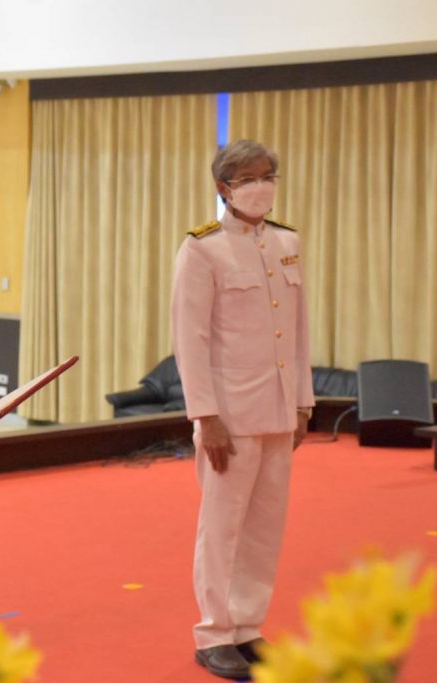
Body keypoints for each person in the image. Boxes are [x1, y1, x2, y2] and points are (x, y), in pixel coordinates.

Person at [171, 139, 314, 679]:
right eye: (248, 178)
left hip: (278, 411)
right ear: (223, 188)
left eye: (267, 175)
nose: (260, 186)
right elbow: (191, 338)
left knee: (264, 526)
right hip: (228, 415)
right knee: (222, 526)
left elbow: (298, 331)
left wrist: (303, 402)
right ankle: (214, 632)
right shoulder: (202, 248)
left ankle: (249, 626)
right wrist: (204, 416)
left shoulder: (287, 242)